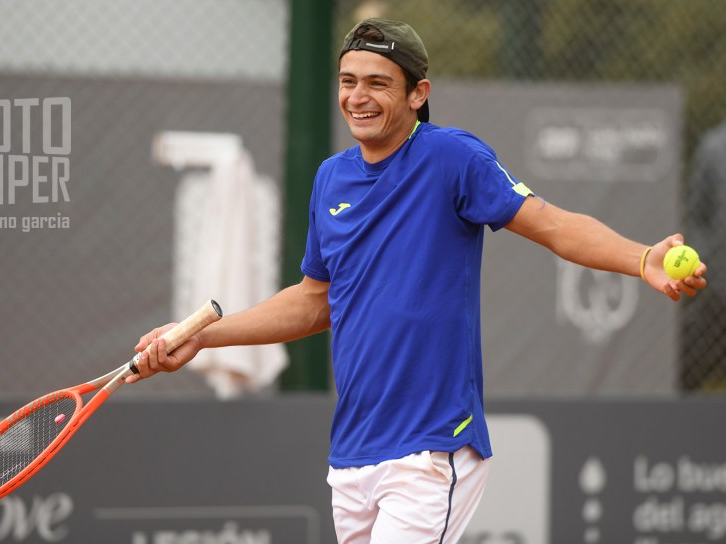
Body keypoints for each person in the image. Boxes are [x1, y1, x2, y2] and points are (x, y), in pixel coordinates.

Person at [130, 19, 708, 543]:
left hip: (431, 447)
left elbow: (553, 225)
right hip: (352, 455)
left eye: (377, 84)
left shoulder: (453, 158)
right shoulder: (330, 179)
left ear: (417, 94)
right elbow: (313, 302)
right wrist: (204, 337)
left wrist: (641, 259)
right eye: (348, 81)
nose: (357, 97)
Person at [682, 119, 725, 389]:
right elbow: (697, 215)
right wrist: (705, 264)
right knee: (685, 363)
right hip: (717, 287)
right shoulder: (714, 146)